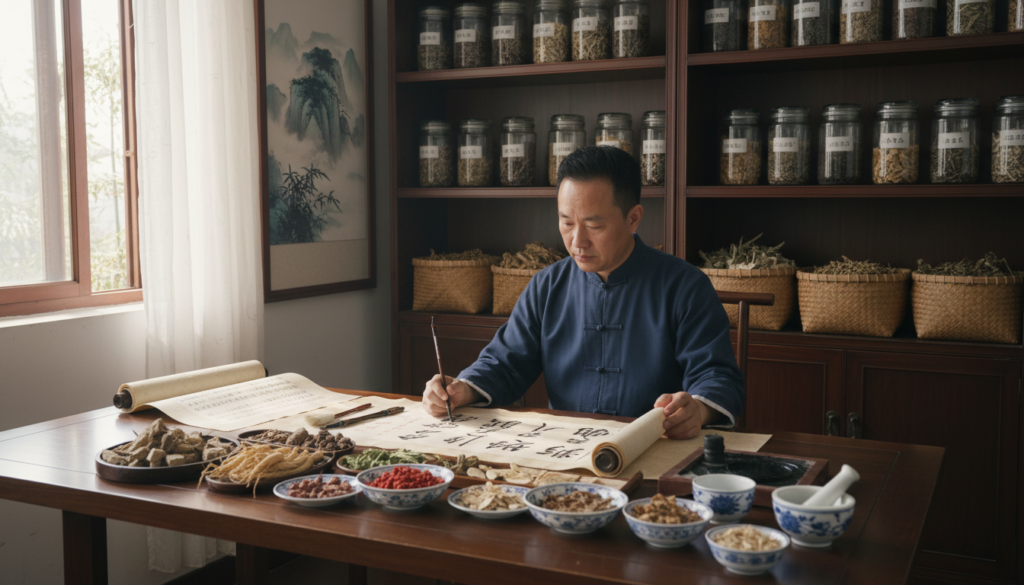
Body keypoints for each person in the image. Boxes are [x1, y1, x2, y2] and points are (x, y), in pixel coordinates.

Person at [422, 146, 744, 439]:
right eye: (566, 223)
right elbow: (505, 364)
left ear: (633, 218)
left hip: (655, 448)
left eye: (594, 225)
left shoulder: (685, 286)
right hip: (565, 449)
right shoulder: (547, 286)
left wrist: (698, 410)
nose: (577, 241)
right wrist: (461, 388)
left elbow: (717, 376)